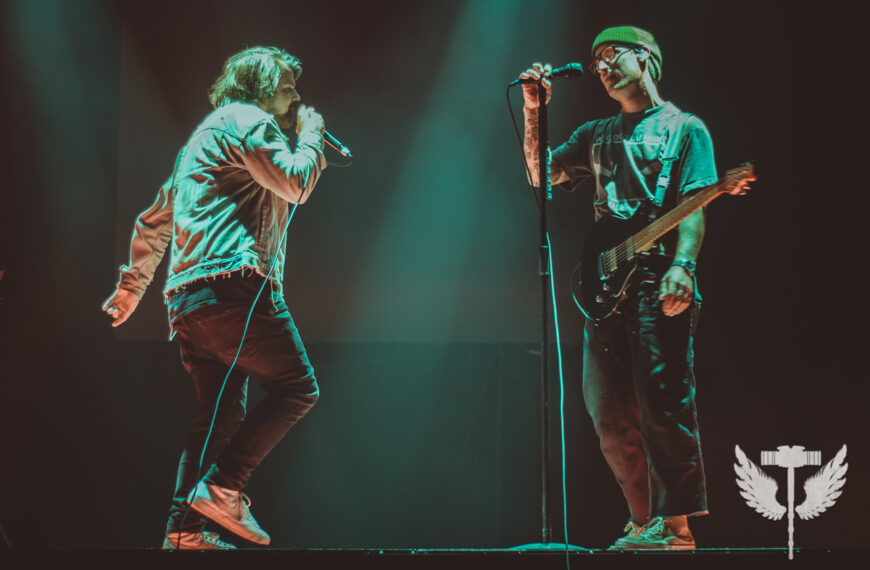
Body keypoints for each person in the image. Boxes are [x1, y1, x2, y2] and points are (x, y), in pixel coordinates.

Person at [519, 26, 750, 550]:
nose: (601, 66)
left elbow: (694, 207)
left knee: (662, 404)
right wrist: (536, 110)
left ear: (645, 57)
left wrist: (684, 267)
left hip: (657, 278)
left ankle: (677, 528)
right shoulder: (596, 134)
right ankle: (645, 521)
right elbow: (540, 175)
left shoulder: (685, 130)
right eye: (595, 59)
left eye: (612, 54)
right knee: (608, 414)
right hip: (604, 285)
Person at [103, 46, 328, 550]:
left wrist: (131, 287)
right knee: (298, 388)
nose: (295, 97)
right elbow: (295, 183)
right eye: (288, 86)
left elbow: (157, 218)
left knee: (219, 414)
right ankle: (225, 487)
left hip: (187, 301)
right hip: (234, 287)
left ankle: (184, 528)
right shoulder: (250, 120)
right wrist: (311, 138)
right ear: (263, 84)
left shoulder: (201, 138)